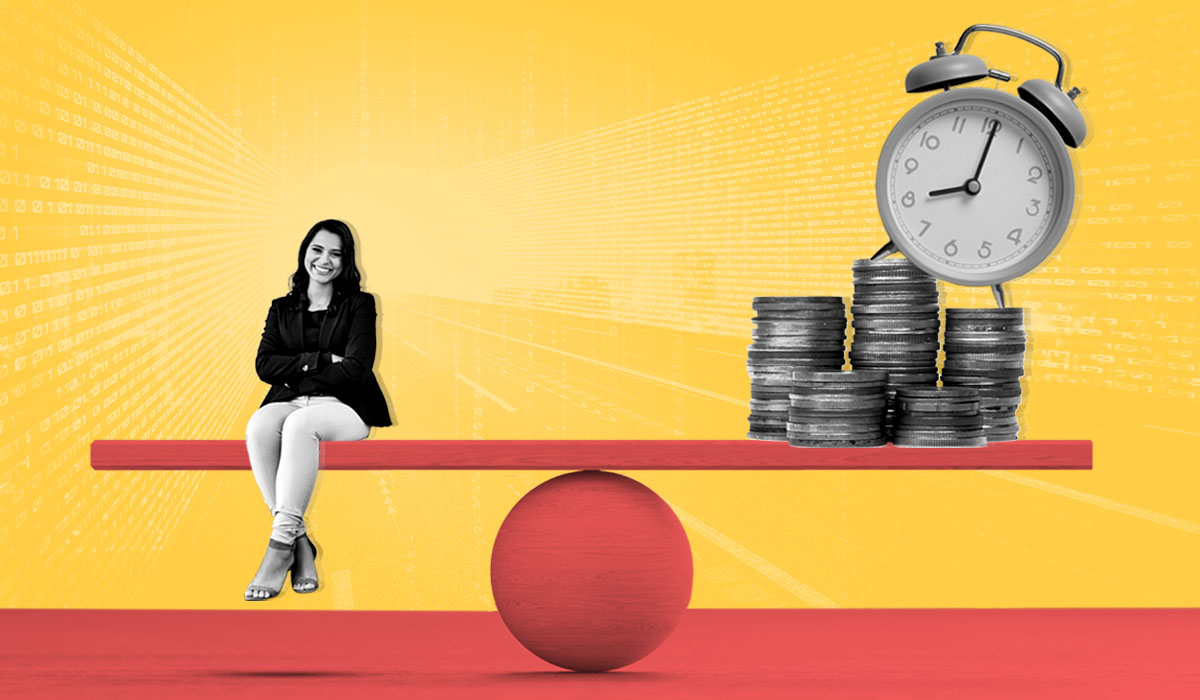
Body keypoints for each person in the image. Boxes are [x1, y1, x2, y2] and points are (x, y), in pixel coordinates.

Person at [244, 219, 392, 600]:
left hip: (346, 407)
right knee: (260, 423)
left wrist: (298, 370)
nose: (325, 260)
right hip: (291, 400)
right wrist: (324, 359)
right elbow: (264, 366)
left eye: (336, 254)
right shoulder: (281, 308)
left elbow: (357, 368)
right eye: (318, 250)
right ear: (305, 252)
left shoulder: (360, 304)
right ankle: (300, 542)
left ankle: (278, 551)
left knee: (299, 423)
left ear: (346, 263)